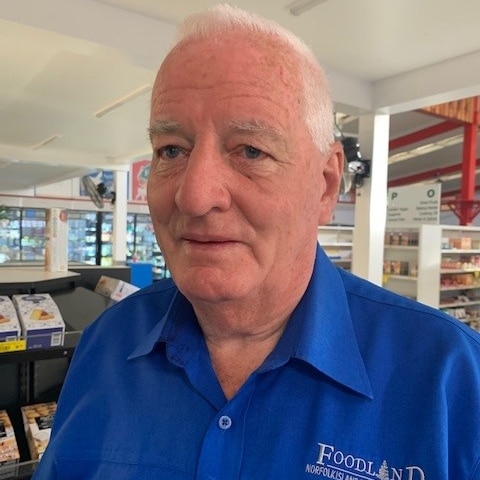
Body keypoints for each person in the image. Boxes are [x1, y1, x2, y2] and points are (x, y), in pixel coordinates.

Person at [33, 4, 480, 480]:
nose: (195, 196)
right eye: (171, 150)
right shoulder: (105, 346)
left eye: (251, 150)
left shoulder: (452, 382)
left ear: (326, 185)